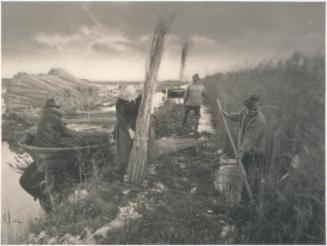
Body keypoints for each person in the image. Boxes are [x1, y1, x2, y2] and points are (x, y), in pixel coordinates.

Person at [220, 95, 266, 200]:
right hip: (245, 148)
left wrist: (241, 151)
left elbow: (250, 138)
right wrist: (228, 115)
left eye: (253, 108)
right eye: (249, 108)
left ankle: (250, 196)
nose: (250, 110)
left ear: (258, 108)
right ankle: (244, 194)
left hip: (254, 150)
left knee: (251, 172)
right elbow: (239, 116)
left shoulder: (260, 121)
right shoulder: (245, 111)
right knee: (244, 170)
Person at [114, 85, 142, 176]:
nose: (129, 100)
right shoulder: (119, 102)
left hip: (137, 122)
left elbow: (143, 110)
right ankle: (123, 166)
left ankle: (136, 163)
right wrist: (129, 130)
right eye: (128, 97)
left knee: (137, 144)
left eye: (131, 97)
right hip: (123, 123)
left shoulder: (139, 98)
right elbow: (120, 117)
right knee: (123, 145)